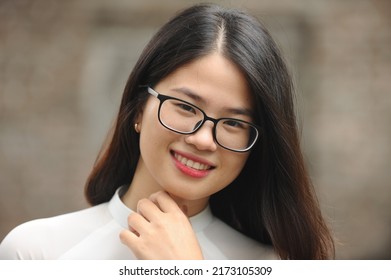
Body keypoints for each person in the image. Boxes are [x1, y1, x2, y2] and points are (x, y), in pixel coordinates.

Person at [0, 3, 334, 260]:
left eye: (233, 123)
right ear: (138, 109)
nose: (203, 139)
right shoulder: (34, 252)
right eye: (186, 107)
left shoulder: (272, 264)